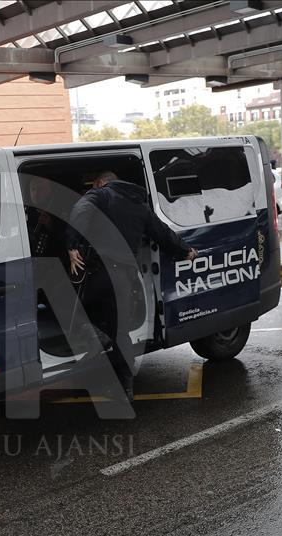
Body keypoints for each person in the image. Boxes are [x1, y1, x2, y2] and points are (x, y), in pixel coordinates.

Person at [65, 171, 197, 401]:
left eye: (94, 185)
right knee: (119, 331)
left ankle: (102, 343)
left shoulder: (103, 194)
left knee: (74, 313)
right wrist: (186, 250)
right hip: (125, 276)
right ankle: (125, 386)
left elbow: (81, 209)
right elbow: (163, 233)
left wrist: (72, 243)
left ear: (101, 182)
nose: (93, 188)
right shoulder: (139, 206)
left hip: (101, 273)